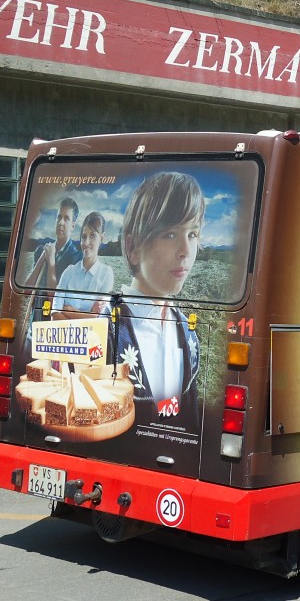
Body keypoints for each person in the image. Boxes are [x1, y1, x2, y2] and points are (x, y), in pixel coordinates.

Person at [113, 172, 205, 431]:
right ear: (133, 248)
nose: (186, 251)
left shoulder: (188, 333)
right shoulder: (109, 330)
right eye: (170, 234)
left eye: (193, 234)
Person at [53, 212, 113, 318]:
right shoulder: (68, 272)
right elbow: (54, 316)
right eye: (84, 237)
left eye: (92, 236)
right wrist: (89, 314)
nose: (86, 242)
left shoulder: (106, 274)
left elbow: (101, 321)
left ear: (102, 238)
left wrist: (69, 310)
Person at [24, 196, 81, 290]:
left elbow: (55, 298)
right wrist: (41, 259)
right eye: (59, 217)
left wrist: (51, 262)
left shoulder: (76, 258)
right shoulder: (41, 250)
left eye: (66, 218)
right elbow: (26, 291)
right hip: (36, 304)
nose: (61, 222)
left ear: (73, 226)